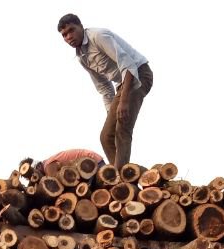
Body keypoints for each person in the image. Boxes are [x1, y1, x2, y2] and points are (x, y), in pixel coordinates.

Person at [57, 13, 153, 167]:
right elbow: (103, 87)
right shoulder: (82, 57)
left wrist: (123, 102)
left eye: (71, 30)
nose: (68, 37)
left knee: (122, 128)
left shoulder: (98, 36)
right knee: (107, 135)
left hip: (139, 75)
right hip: (122, 84)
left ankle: (121, 179)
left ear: (81, 26)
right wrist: (111, 114)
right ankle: (120, 175)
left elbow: (128, 64)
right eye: (64, 35)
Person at [30, 148, 104, 178]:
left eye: (36, 171)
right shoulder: (49, 161)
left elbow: (56, 182)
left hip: (92, 163)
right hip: (92, 161)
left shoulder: (48, 165)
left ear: (39, 167)